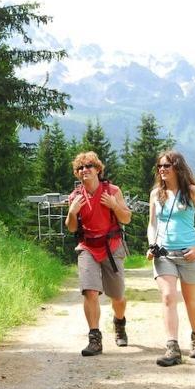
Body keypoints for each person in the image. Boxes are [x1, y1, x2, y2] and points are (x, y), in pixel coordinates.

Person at [146, 150, 195, 367]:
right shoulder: (156, 194)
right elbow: (152, 224)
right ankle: (172, 348)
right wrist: (152, 245)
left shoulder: (191, 192)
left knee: (190, 300)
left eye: (167, 166)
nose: (162, 170)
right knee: (168, 297)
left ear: (177, 167)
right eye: (160, 166)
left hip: (189, 253)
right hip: (164, 254)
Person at [65, 151, 132, 356]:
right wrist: (72, 212)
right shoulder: (75, 197)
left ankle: (119, 323)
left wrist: (113, 205)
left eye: (89, 167)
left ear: (98, 170)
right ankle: (94, 338)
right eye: (80, 168)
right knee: (90, 291)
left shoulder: (112, 190)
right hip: (87, 247)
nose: (85, 170)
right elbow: (71, 227)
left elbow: (126, 218)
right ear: (77, 174)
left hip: (111, 247)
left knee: (118, 296)